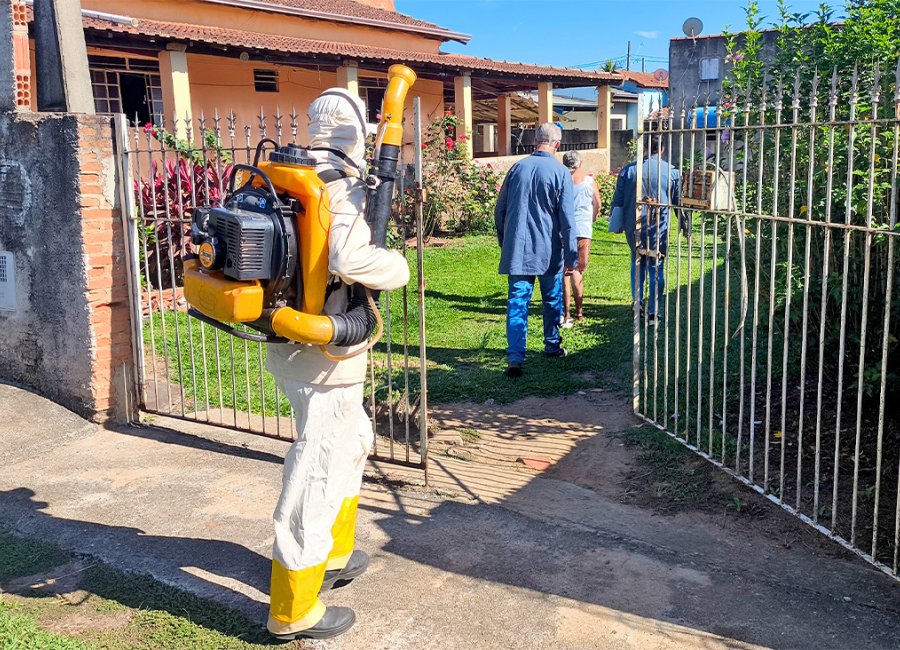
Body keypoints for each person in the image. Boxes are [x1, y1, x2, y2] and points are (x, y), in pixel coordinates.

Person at [264, 88, 410, 641]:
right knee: (318, 467)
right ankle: (292, 607)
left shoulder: (286, 176)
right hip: (325, 353)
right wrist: (395, 266)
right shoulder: (339, 185)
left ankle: (332, 555)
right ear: (356, 134)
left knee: (354, 441)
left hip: (295, 342)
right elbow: (351, 259)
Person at [494, 122, 579, 378]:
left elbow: (500, 210)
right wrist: (571, 255)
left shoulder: (517, 168)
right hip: (548, 249)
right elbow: (567, 219)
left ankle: (515, 356)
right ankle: (551, 345)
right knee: (551, 299)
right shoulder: (560, 172)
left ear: (535, 141)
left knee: (517, 300)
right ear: (558, 145)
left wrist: (504, 240)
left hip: (518, 248)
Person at [609, 137, 682, 321]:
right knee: (656, 267)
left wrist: (615, 223)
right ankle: (654, 311)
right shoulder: (672, 172)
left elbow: (617, 200)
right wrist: (685, 224)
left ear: (645, 147)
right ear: (662, 149)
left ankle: (638, 302)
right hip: (659, 226)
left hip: (633, 225)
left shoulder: (629, 170)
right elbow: (678, 203)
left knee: (637, 263)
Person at [560, 150, 602, 327]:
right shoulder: (589, 181)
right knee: (578, 271)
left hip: (564, 229)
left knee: (565, 272)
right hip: (583, 230)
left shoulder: (562, 181)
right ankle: (579, 312)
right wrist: (592, 217)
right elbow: (598, 204)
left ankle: (566, 313)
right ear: (580, 163)